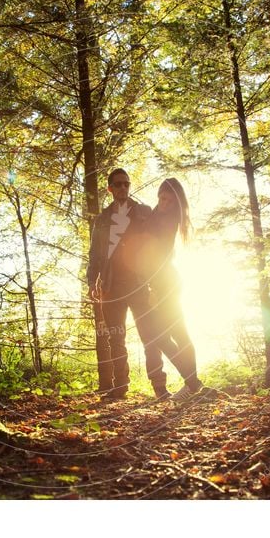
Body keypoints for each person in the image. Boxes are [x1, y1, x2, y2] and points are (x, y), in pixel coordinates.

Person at [138, 177, 215, 403]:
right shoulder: (158, 214)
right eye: (161, 198)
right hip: (166, 280)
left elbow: (157, 255)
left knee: (162, 335)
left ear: (176, 203)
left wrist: (153, 288)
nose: (163, 203)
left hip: (164, 283)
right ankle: (192, 384)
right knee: (177, 333)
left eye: (169, 201)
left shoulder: (168, 220)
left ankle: (192, 383)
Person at [87, 168, 158, 400]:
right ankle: (120, 388)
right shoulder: (102, 219)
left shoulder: (144, 212)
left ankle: (160, 387)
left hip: (138, 283)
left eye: (126, 184)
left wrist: (157, 279)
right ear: (110, 188)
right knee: (116, 337)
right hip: (111, 285)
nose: (123, 188)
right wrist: (91, 282)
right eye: (118, 184)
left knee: (150, 334)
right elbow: (95, 254)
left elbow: (156, 246)